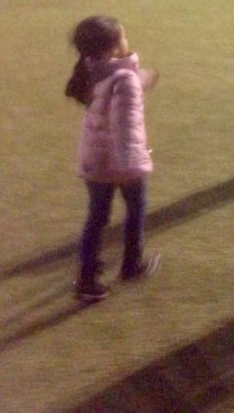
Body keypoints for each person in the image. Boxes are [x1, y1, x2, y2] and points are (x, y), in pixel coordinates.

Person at [65, 16, 161, 302]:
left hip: (94, 161)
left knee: (96, 218)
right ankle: (132, 264)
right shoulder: (124, 80)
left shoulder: (90, 70)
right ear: (113, 47)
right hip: (121, 162)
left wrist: (144, 77)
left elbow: (120, 83)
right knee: (136, 209)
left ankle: (87, 279)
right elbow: (125, 126)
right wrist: (131, 165)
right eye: (123, 37)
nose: (127, 41)